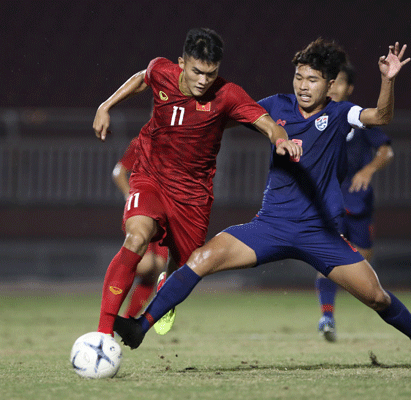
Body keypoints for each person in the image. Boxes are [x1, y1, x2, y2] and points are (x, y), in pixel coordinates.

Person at [113, 39, 411, 370]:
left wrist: (388, 81)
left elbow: (380, 117)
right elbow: (225, 115)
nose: (303, 85)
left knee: (377, 297)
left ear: (329, 84)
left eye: (312, 79)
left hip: (319, 233)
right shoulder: (276, 106)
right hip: (269, 225)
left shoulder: (339, 113)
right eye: (299, 77)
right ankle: (140, 327)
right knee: (200, 259)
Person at [92, 28, 301, 337]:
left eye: (211, 73)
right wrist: (105, 105)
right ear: (182, 63)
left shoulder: (228, 94)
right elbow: (141, 77)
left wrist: (280, 140)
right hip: (150, 177)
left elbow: (269, 124)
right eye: (197, 71)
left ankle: (167, 285)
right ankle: (102, 334)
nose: (204, 80)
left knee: (184, 266)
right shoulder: (161, 70)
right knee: (136, 239)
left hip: (192, 197)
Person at [316, 63, 395, 342]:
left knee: (362, 266)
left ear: (348, 89)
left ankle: (382, 311)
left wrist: (368, 169)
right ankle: (327, 316)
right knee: (327, 260)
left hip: (359, 203)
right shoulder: (317, 116)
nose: (334, 87)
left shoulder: (358, 117)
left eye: (340, 83)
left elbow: (386, 151)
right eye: (330, 81)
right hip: (328, 203)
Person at [112, 137, 169, 319]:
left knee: (158, 267)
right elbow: (119, 172)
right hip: (142, 211)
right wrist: (132, 197)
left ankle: (126, 321)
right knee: (144, 264)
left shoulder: (181, 141)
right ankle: (114, 278)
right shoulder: (143, 142)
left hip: (166, 212)